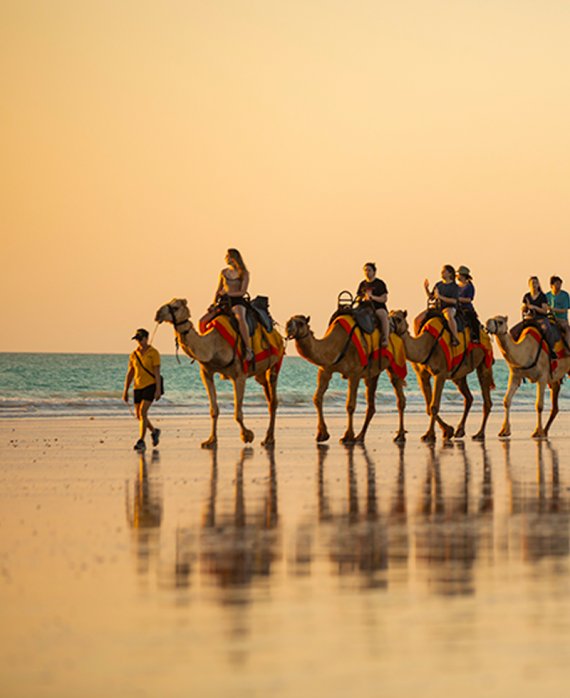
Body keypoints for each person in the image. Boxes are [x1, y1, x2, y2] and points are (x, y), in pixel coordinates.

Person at [123, 328, 161, 452]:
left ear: (146, 338)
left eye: (140, 339)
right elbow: (130, 373)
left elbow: (157, 372)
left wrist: (158, 389)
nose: (139, 342)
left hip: (150, 385)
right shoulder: (134, 354)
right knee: (139, 415)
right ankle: (154, 431)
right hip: (137, 387)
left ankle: (141, 441)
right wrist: (125, 390)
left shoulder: (153, 353)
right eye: (137, 340)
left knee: (143, 412)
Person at [214, 248, 253, 361]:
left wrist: (228, 293)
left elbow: (242, 291)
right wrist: (213, 303)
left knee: (240, 318)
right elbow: (218, 289)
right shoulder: (223, 272)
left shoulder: (244, 273)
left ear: (235, 258)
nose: (227, 258)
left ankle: (248, 349)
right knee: (203, 320)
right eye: (227, 256)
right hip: (224, 301)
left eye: (229, 256)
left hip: (237, 301)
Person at [416, 265, 460, 345]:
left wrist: (440, 297)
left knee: (449, 316)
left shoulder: (454, 287)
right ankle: (418, 338)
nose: (442, 273)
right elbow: (432, 297)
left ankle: (455, 337)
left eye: (444, 271)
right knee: (418, 319)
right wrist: (426, 289)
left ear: (450, 274)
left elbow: (454, 301)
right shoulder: (439, 285)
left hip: (449, 307)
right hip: (437, 307)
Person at [356, 262, 389, 347]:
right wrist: (362, 298)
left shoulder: (380, 283)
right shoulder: (362, 284)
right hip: (364, 308)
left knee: (383, 315)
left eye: (369, 270)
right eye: (365, 270)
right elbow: (358, 297)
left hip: (377, 307)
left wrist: (372, 298)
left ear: (374, 272)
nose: (367, 272)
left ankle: (385, 338)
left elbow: (384, 298)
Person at [456, 264, 480, 342]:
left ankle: (475, 336)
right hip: (456, 306)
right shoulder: (456, 286)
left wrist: (458, 299)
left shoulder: (469, 286)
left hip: (466, 307)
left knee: (472, 318)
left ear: (463, 276)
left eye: (459, 274)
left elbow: (469, 299)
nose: (457, 276)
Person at [546, 275, 570, 346]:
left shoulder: (565, 295)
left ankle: (568, 348)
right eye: (556, 284)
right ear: (551, 285)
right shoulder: (547, 295)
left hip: (562, 320)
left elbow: (565, 310)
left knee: (567, 330)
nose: (559, 286)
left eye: (560, 284)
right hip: (550, 318)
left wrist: (551, 309)